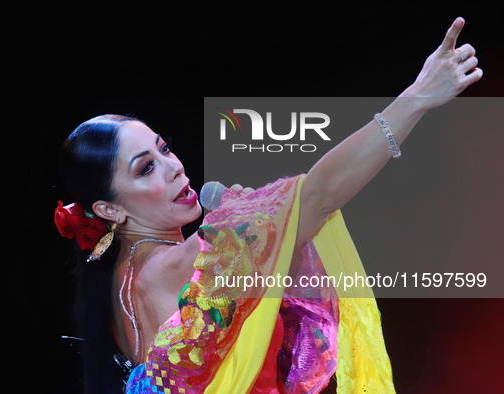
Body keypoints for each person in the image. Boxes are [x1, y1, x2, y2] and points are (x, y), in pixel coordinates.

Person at [54, 17, 481, 394]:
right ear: (109, 210)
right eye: (145, 168)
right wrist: (418, 97)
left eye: (164, 149)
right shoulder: (196, 256)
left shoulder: (116, 292)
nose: (173, 167)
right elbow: (320, 192)